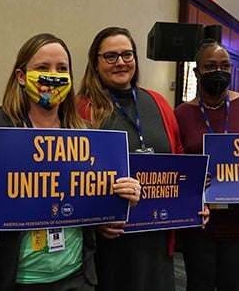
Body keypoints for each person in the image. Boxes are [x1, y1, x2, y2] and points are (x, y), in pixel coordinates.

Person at [0, 33, 141, 291]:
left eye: (62, 69)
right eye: (42, 68)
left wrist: (121, 200)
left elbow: (90, 199)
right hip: (15, 279)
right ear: (21, 76)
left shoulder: (87, 134)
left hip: (76, 276)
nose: (53, 76)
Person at [76, 27, 208, 291]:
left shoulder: (157, 101)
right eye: (110, 56)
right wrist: (96, 221)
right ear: (95, 63)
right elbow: (73, 176)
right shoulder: (82, 108)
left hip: (158, 235)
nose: (121, 62)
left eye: (127, 54)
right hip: (112, 240)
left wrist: (194, 200)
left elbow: (178, 156)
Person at [174, 39, 239, 291]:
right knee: (198, 285)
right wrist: (190, 179)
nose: (219, 72)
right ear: (197, 72)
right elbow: (175, 165)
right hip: (199, 220)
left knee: (233, 286)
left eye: (225, 67)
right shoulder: (180, 113)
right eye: (210, 66)